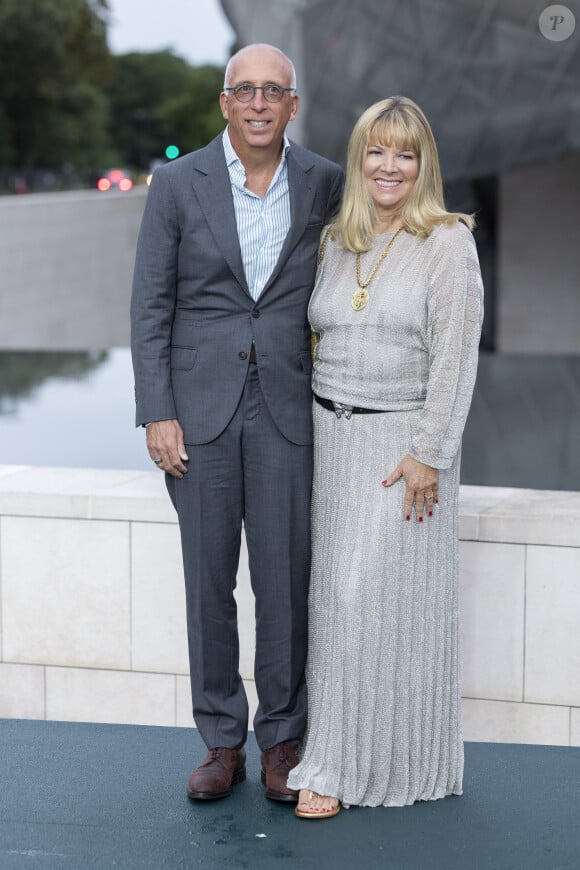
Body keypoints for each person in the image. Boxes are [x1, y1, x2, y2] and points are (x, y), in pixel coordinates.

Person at [130, 44, 343, 802]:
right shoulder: (176, 183)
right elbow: (151, 304)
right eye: (245, 90)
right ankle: (222, 742)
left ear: (292, 106)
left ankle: (283, 741)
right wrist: (156, 409)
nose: (259, 102)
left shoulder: (324, 181)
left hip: (290, 411)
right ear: (225, 103)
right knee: (207, 584)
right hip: (199, 415)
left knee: (286, 584)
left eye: (274, 91)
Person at [287, 96, 483, 818]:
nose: (389, 166)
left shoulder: (448, 244)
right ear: (359, 159)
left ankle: (341, 766)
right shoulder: (340, 239)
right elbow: (317, 339)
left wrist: (429, 453)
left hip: (404, 453)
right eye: (377, 151)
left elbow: (456, 360)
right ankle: (353, 751)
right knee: (334, 609)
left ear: (423, 163)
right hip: (331, 445)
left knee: (375, 606)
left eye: (405, 153)